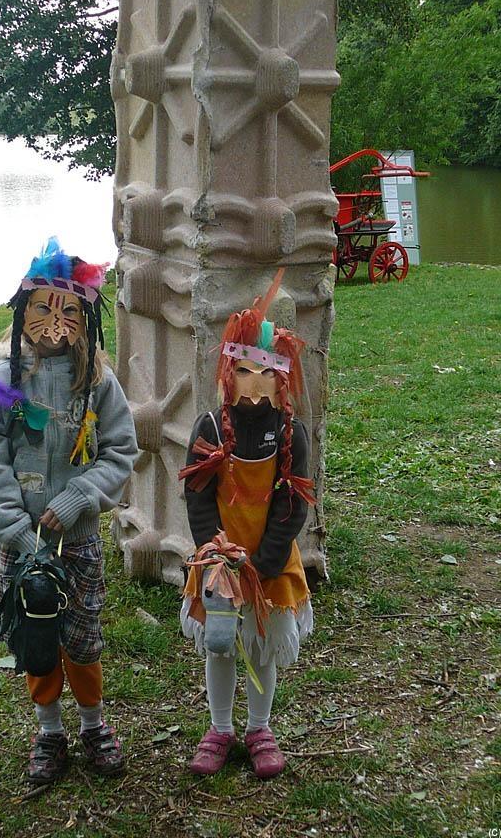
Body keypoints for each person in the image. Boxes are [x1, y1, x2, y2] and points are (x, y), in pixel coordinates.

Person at [0, 238, 138, 783]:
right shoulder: (2, 382)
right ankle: (49, 731)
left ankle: (93, 724)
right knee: (36, 637)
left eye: (68, 311)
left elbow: (121, 451)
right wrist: (16, 530)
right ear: (24, 309)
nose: (55, 321)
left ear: (86, 319)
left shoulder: (99, 383)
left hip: (78, 540)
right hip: (19, 542)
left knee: (82, 639)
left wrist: (78, 498)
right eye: (43, 307)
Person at [179, 269, 316, 780]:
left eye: (265, 373)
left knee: (261, 646)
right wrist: (218, 556)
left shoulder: (291, 434)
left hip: (270, 561)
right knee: (220, 643)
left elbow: (292, 506)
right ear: (228, 373)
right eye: (243, 371)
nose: (253, 384)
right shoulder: (211, 429)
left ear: (281, 379)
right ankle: (220, 727)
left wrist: (263, 564)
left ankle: (260, 727)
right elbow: (197, 498)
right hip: (221, 561)